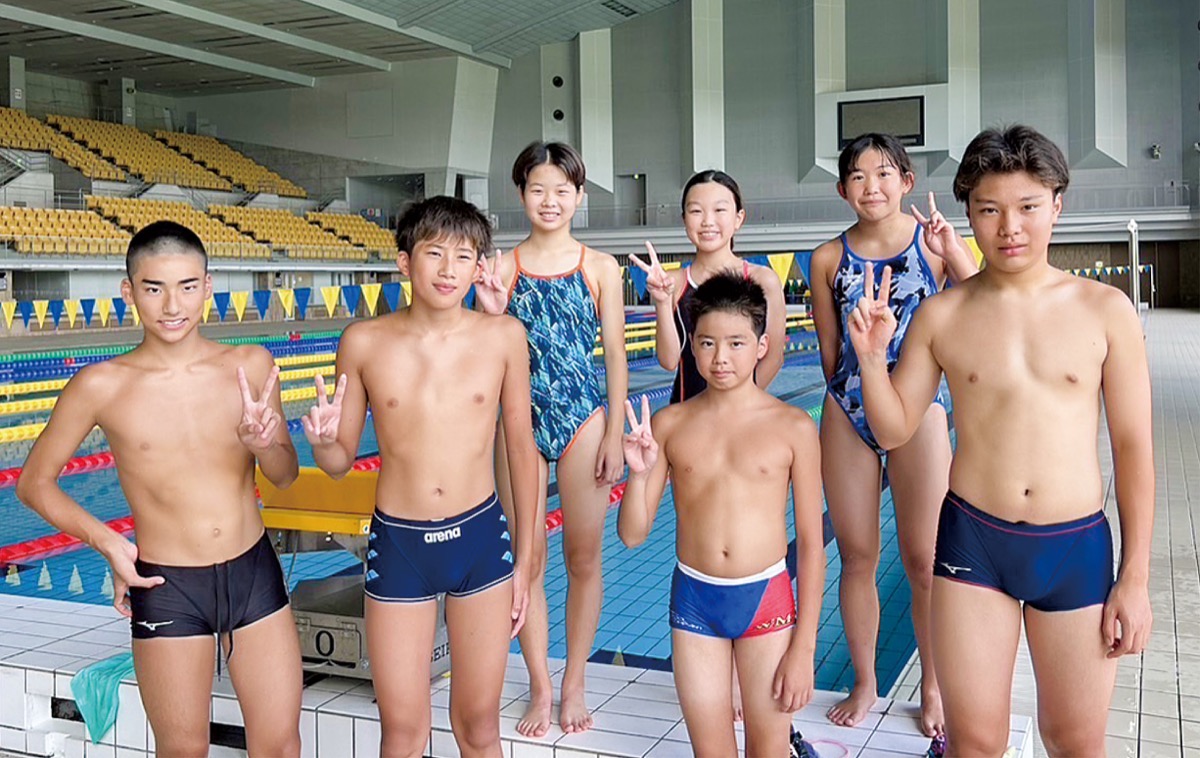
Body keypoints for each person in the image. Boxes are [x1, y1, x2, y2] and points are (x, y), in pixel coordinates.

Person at [848, 125, 1153, 757]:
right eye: (989, 210)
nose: (1010, 227)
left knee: (1075, 741)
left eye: (1027, 207)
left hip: (1074, 545)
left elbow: (1133, 449)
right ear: (969, 214)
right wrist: (873, 362)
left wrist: (1135, 577)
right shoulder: (943, 314)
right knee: (975, 742)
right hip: (975, 543)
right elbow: (895, 427)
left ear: (1056, 205)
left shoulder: (1106, 310)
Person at [16, 220, 303, 756]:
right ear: (129, 291)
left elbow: (285, 475)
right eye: (154, 288)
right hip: (166, 584)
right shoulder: (101, 385)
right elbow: (34, 483)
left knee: (281, 746)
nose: (173, 305)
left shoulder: (249, 366)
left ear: (208, 286)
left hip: (253, 572)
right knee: (182, 751)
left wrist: (264, 444)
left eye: (187, 286)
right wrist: (109, 543)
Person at [304, 196, 538, 757]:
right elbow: (338, 462)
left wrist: (526, 562)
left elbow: (522, 449)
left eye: (464, 255)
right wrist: (323, 442)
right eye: (434, 253)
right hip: (399, 543)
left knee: (478, 727)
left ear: (479, 267)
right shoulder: (364, 342)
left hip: (480, 541)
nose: (448, 269)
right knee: (404, 731)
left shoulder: (503, 337)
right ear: (405, 262)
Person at [810, 133, 977, 735]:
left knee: (925, 560)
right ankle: (864, 683)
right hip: (849, 411)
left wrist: (954, 252)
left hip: (919, 406)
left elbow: (980, 306)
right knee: (857, 557)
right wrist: (853, 394)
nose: (871, 186)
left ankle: (932, 684)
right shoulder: (827, 258)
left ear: (906, 181)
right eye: (857, 176)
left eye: (883, 173)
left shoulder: (932, 244)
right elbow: (830, 353)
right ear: (842, 190)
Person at [618, 271, 825, 757]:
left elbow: (813, 545)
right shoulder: (670, 424)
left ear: (762, 346)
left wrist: (804, 648)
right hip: (695, 601)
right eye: (707, 343)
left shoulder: (793, 427)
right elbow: (631, 534)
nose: (720, 358)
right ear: (692, 346)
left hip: (766, 598)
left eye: (736, 343)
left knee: (768, 750)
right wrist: (639, 474)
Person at [475, 140, 628, 736]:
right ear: (521, 194)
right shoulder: (503, 268)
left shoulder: (600, 267)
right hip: (518, 423)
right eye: (538, 189)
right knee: (528, 558)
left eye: (562, 190)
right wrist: (490, 312)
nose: (549, 200)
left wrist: (614, 432)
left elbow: (614, 355)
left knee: (583, 558)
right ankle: (540, 685)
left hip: (583, 418)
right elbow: (487, 353)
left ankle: (575, 682)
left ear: (579, 197)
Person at [630, 170, 787, 401]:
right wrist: (662, 303)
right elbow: (669, 361)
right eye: (696, 211)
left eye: (719, 210)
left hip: (743, 412)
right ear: (684, 219)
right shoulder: (672, 282)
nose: (707, 221)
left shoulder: (764, 280)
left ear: (738, 218)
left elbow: (773, 357)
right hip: (686, 410)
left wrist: (738, 405)